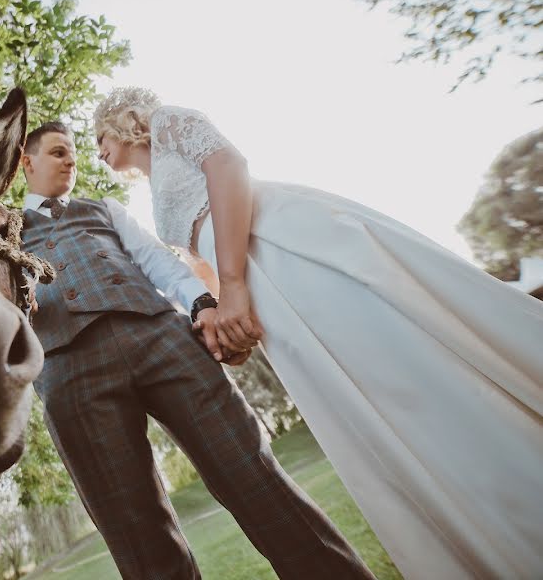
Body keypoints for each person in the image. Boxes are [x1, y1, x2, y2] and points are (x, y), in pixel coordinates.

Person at [93, 87, 543, 580]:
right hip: (260, 290)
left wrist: (237, 282)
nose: (97, 151)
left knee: (396, 360)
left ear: (122, 121)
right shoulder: (152, 191)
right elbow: (198, 264)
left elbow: (228, 167)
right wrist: (226, 324)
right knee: (360, 399)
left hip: (280, 244)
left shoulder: (170, 124)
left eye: (98, 138)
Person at [18, 121, 375, 579]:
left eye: (72, 153)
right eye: (57, 152)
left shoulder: (103, 209)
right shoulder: (4, 232)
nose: (71, 160)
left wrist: (203, 304)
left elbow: (155, 261)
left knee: (254, 477)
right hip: (70, 371)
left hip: (161, 339)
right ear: (26, 162)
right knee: (136, 534)